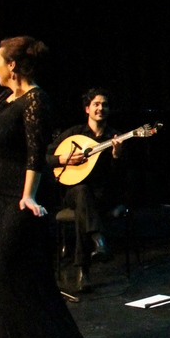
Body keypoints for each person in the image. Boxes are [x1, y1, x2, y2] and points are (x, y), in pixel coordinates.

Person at [0, 37, 90, 338]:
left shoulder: (36, 100)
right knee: (21, 274)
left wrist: (28, 195)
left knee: (11, 270)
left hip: (23, 199)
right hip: (3, 197)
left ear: (12, 65)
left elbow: (35, 154)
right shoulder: (4, 98)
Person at [47, 88, 125, 292]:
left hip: (102, 194)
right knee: (82, 192)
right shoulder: (75, 134)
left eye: (105, 105)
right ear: (87, 109)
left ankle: (84, 271)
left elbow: (119, 177)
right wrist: (63, 158)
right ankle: (99, 241)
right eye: (96, 104)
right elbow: (46, 157)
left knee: (85, 205)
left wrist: (116, 156)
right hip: (73, 193)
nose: (101, 108)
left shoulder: (114, 137)